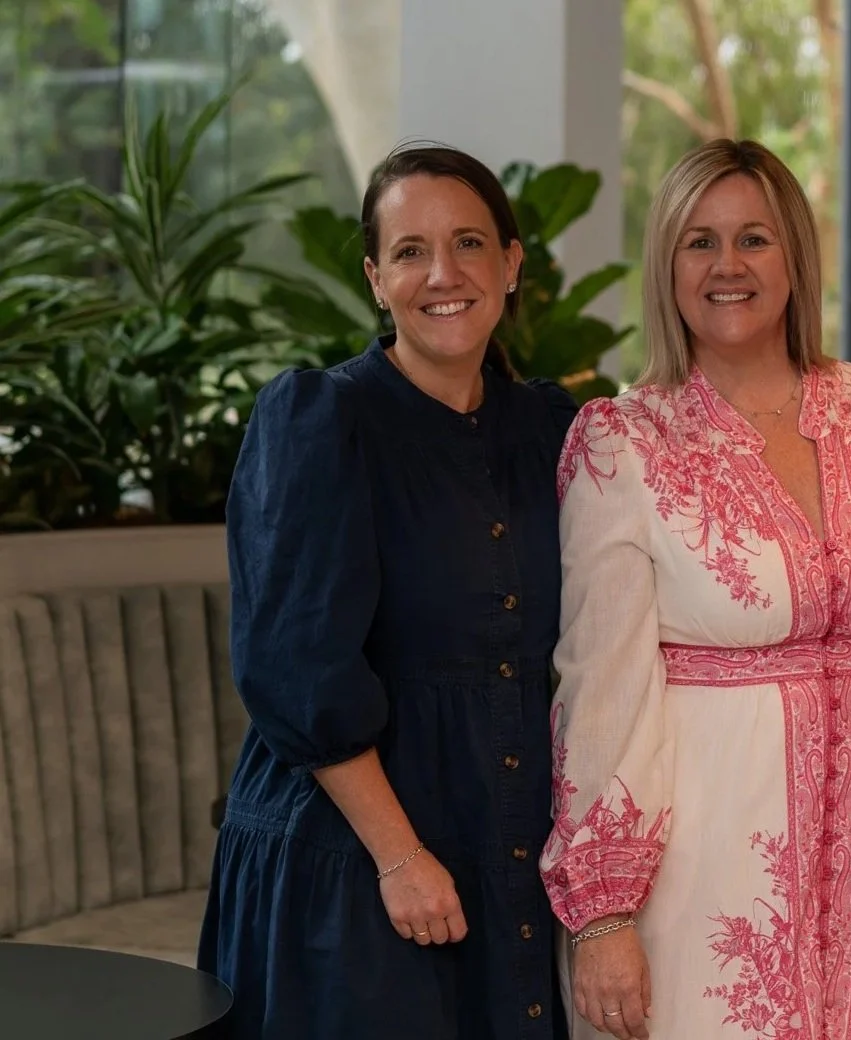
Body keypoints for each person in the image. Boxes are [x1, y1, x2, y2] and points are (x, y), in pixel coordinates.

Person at [542, 138, 851, 1040]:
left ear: (795, 256)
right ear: (668, 266)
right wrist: (604, 914)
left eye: (754, 238)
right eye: (699, 242)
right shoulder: (621, 440)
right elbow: (599, 688)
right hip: (710, 860)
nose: (728, 265)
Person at [199, 145, 576, 1038]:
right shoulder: (319, 422)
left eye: (470, 244)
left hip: (503, 837)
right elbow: (296, 670)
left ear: (513, 264)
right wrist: (400, 856)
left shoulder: (556, 429)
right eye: (409, 252)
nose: (442, 275)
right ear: (375, 278)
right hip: (354, 851)